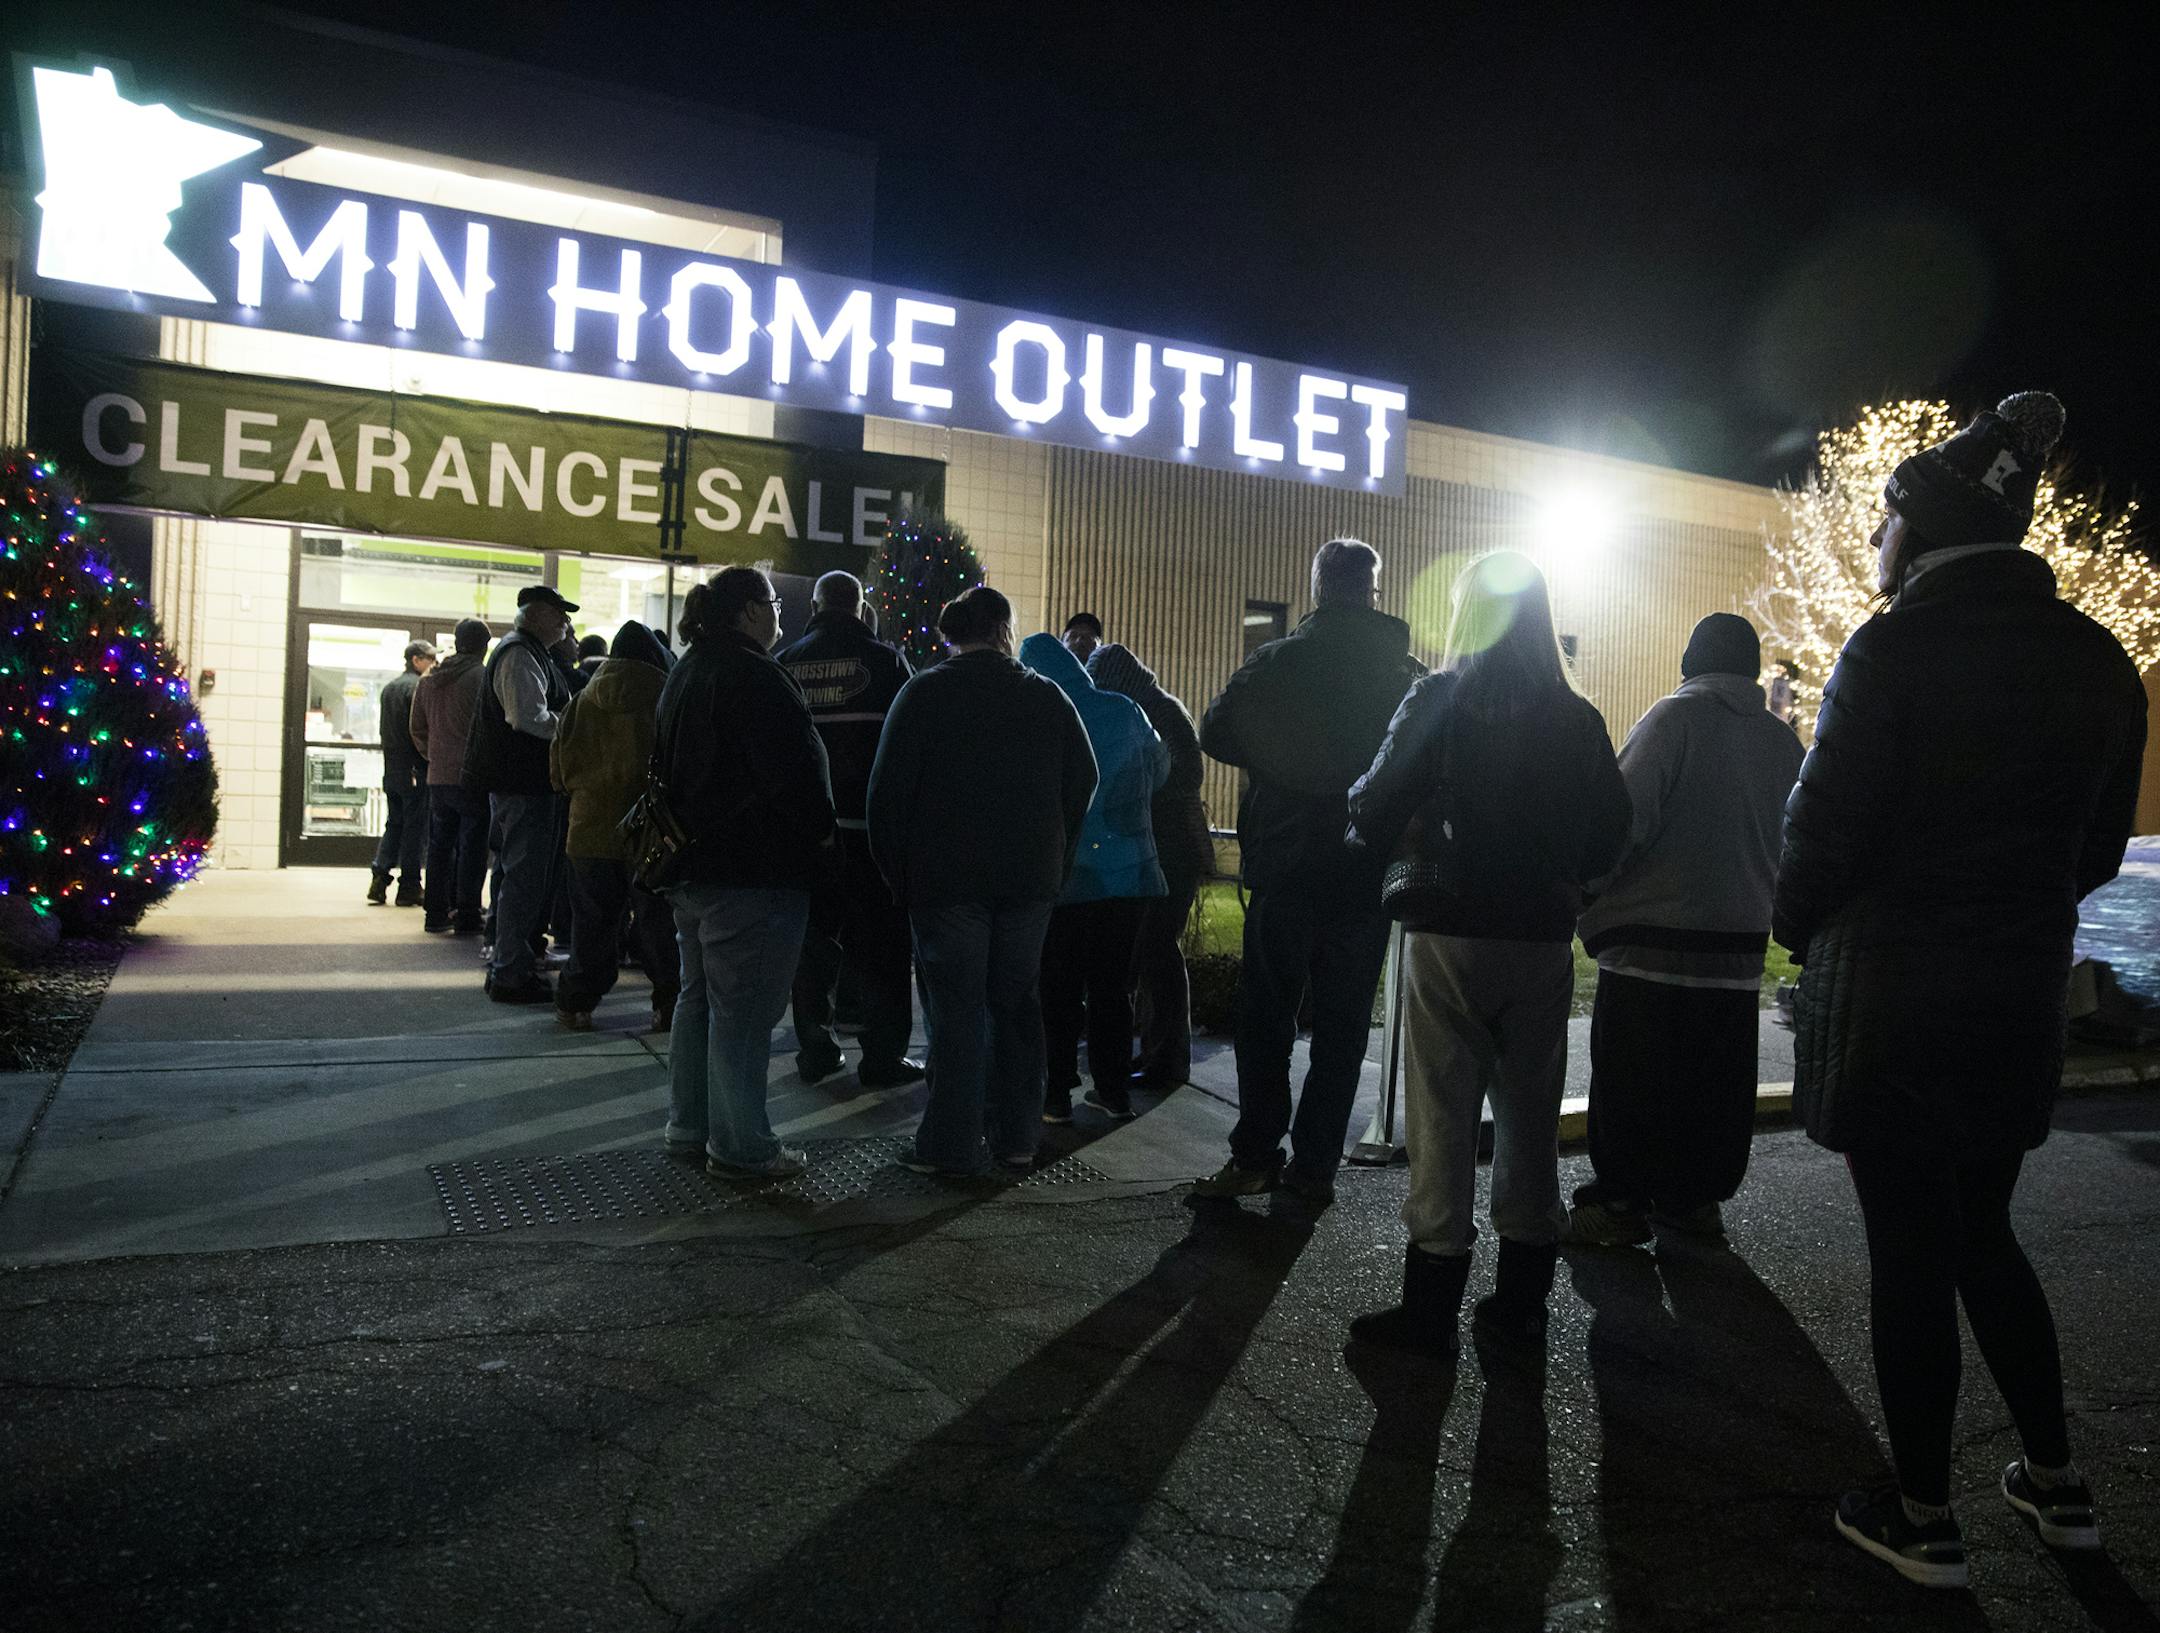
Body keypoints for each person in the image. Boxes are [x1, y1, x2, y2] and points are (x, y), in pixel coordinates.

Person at [1773, 393, 2144, 1586]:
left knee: (1910, 1251)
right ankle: (2058, 1482)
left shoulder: (1891, 649)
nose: (1875, 547)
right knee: (1984, 1228)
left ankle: (1923, 1513)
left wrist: (1794, 928)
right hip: (2017, 993)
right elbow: (2094, 850)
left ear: (1918, 532)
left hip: (1892, 995)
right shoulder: (2098, 660)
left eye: (1884, 524)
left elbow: (1822, 833)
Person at [1344, 550, 1630, 1355]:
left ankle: (1430, 1306)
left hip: (1446, 928)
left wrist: (1371, 831)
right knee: (1530, 1117)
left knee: (1440, 1117)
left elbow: (1374, 799)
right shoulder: (1577, 717)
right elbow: (1614, 827)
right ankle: (1520, 1305)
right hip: (1540, 936)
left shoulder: (1438, 697)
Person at [1192, 537, 1424, 1202]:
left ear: (1320, 587)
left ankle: (1256, 1153)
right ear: (1373, 591)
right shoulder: (1403, 672)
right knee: (1344, 1026)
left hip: (1287, 863)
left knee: (1266, 1016)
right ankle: (1315, 1165)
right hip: (1363, 871)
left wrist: (1283, 762)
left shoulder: (1279, 661)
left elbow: (1215, 731)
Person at [1566, 613, 1805, 1246]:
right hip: (1738, 948)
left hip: (1651, 940)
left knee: (1633, 1079)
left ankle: (1618, 1202)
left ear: (1688, 662)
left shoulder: (1672, 721)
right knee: (1715, 1086)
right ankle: (1695, 1201)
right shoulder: (1783, 744)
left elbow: (1624, 817)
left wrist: (1589, 890)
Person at [866, 586, 1097, 1177]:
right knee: (1017, 1007)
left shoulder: (922, 693)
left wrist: (900, 876)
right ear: (1004, 629)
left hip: (946, 883)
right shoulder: (1045, 697)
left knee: (956, 1012)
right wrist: (1057, 854)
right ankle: (1018, 1137)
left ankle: (949, 1145)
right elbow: (1085, 778)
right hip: (1028, 880)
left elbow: (885, 798)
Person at [655, 568, 835, 1179]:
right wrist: (819, 834)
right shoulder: (755, 675)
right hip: (751, 869)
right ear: (751, 613)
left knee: (699, 998)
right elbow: (795, 773)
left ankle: (690, 1126)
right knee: (745, 1012)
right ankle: (740, 1145)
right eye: (775, 604)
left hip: (690, 866)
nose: (782, 614)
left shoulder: (688, 669)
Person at [776, 570, 923, 1088]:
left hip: (808, 836)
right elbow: (909, 749)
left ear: (816, 606)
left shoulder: (786, 664)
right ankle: (882, 1058)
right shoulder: (888, 663)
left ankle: (815, 1050)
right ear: (860, 608)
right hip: (871, 833)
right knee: (884, 948)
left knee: (813, 946)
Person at [1018, 633, 1168, 1122]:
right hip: (1131, 875)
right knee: (1112, 989)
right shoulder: (1124, 707)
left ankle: (1056, 1094)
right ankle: (1114, 1091)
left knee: (1057, 989)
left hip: (1069, 876)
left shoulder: (1040, 714)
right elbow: (1160, 767)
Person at [1086, 643, 1214, 1091]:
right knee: (1151, 952)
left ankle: (1168, 1059)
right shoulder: (1152, 708)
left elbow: (1187, 773)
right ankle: (1158, 1051)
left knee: (1158, 951)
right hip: (1161, 847)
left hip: (1172, 849)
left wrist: (1141, 786)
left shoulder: (1160, 712)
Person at [549, 621, 679, 1033]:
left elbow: (558, 771)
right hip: (650, 834)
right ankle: (668, 1005)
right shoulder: (667, 700)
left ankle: (576, 1004)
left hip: (588, 830)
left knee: (592, 924)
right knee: (659, 925)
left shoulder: (581, 701)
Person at [463, 584, 576, 1004]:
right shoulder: (519, 654)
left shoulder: (525, 651)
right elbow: (527, 717)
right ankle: (511, 971)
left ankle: (508, 961)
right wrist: (571, 725)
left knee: (514, 875)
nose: (566, 623)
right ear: (539, 614)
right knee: (523, 879)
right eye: (561, 614)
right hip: (524, 784)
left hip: (519, 784)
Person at [411, 618, 492, 934]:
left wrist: (435, 755)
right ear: (483, 646)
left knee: (440, 846)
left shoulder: (429, 678)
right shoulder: (482, 678)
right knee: (473, 847)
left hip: (439, 775)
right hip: (472, 776)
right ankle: (468, 913)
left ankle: (435, 913)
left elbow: (416, 728)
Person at [367, 640, 435, 906]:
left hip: (392, 768)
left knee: (394, 823)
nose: (434, 664)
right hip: (414, 768)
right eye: (430, 658)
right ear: (417, 660)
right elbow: (419, 730)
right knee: (415, 827)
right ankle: (409, 885)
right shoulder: (417, 688)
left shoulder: (389, 689)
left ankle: (380, 877)